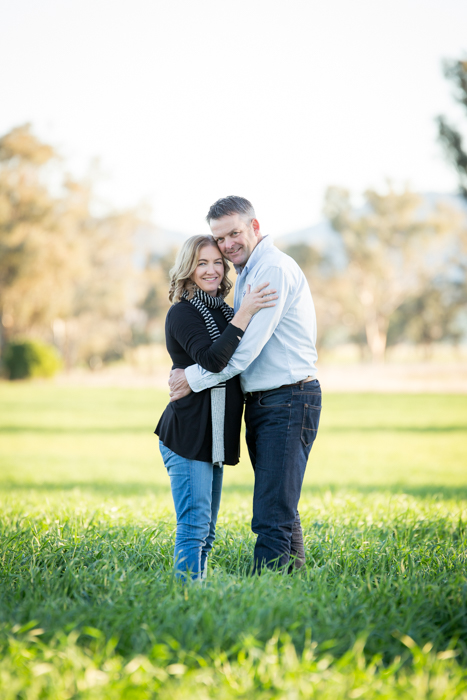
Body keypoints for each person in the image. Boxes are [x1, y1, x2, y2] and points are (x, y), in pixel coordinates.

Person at [169, 196, 321, 574]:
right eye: (220, 239)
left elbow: (243, 353)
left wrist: (190, 378)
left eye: (234, 233)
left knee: (272, 509)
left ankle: (266, 591)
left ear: (254, 226)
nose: (227, 245)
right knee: (280, 502)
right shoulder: (248, 273)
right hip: (266, 402)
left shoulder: (270, 271)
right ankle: (294, 582)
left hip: (287, 398)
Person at [155, 234, 277, 580]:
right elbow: (212, 360)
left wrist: (241, 314)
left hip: (214, 434)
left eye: (217, 262)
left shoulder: (222, 311)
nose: (211, 270)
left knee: (207, 533)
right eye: (201, 263)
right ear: (188, 269)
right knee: (194, 528)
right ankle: (183, 598)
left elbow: (237, 357)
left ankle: (195, 596)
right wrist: (247, 313)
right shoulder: (182, 313)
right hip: (189, 434)